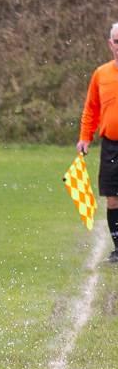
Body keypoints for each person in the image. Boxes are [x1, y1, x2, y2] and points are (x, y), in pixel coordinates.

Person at [78, 21, 118, 263]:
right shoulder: (101, 74)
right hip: (111, 144)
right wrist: (84, 137)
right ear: (110, 44)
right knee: (112, 197)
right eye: (117, 41)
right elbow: (91, 109)